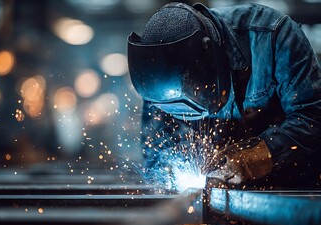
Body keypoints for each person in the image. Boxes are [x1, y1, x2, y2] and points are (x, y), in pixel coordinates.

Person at [127, 2, 321, 189]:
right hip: (218, 200)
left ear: (210, 60)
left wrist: (251, 158)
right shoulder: (155, 78)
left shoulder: (272, 35)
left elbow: (312, 117)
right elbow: (156, 151)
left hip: (290, 192)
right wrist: (174, 170)